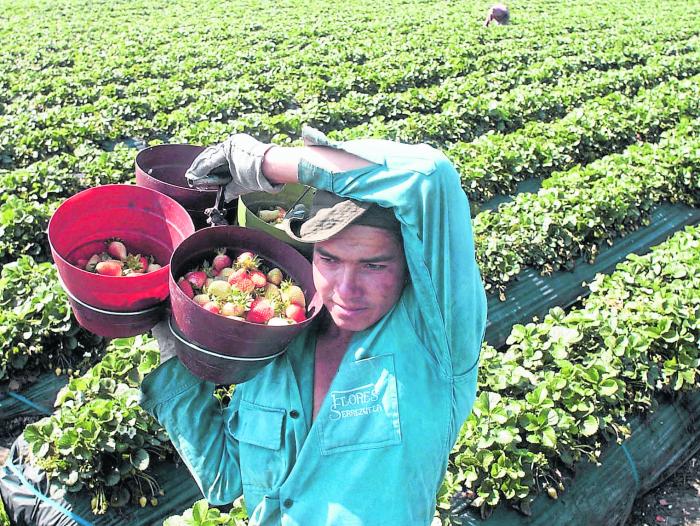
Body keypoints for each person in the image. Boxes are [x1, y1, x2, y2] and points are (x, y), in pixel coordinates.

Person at [140, 126, 487, 525]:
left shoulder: (434, 340)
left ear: (410, 269)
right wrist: (173, 338)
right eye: (330, 260)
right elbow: (224, 479)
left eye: (374, 265)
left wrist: (260, 162)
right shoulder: (274, 348)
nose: (346, 288)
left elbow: (429, 175)